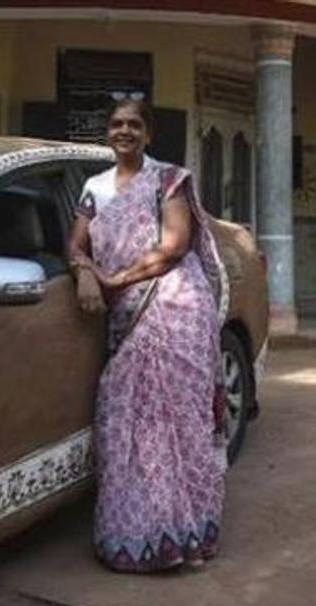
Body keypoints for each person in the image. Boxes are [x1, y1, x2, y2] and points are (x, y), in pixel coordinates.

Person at [66, 99, 230, 573]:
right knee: (124, 417)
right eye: (116, 123)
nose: (125, 131)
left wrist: (115, 280)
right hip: (125, 314)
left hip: (173, 305)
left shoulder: (167, 179)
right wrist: (83, 272)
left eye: (134, 124)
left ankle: (186, 533)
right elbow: (76, 244)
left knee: (178, 422)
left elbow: (174, 246)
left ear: (149, 134)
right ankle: (132, 536)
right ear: (107, 132)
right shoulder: (94, 188)